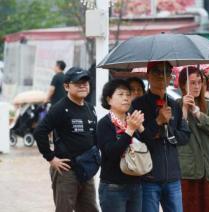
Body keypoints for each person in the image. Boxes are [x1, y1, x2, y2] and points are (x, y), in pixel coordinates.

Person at [34, 67, 98, 212]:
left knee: (90, 208)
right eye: (78, 83)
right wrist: (51, 158)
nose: (83, 85)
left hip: (86, 170)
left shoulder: (90, 108)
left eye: (85, 82)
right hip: (66, 170)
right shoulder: (60, 108)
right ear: (66, 86)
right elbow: (40, 131)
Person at [131, 61, 190, 212]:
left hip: (173, 176)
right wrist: (158, 121)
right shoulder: (138, 105)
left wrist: (167, 130)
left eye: (167, 71)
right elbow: (138, 139)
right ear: (147, 75)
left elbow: (185, 136)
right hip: (148, 176)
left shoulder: (175, 105)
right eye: (157, 71)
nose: (162, 75)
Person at [177, 66, 209, 212]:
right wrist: (185, 110)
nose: (197, 86)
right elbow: (177, 134)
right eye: (192, 83)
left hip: (208, 164)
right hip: (189, 167)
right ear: (183, 85)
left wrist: (198, 114)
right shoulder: (176, 104)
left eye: (199, 82)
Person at [97, 79, 144, 212]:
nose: (126, 98)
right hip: (113, 187)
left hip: (135, 185)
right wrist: (129, 131)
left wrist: (141, 129)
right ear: (109, 99)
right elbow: (111, 153)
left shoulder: (133, 120)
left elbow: (148, 148)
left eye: (128, 95)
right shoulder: (104, 124)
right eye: (121, 94)